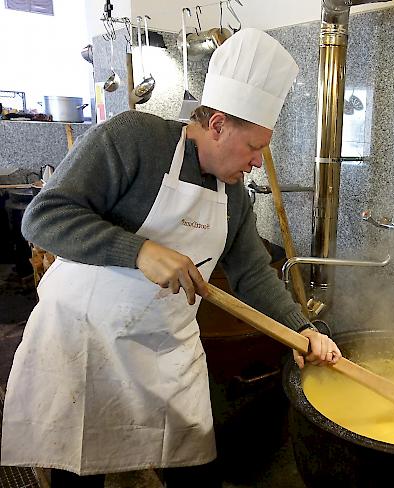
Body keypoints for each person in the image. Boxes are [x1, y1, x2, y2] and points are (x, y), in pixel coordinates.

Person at [1, 28, 341, 487]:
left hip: (164, 347)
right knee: (76, 465)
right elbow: (43, 217)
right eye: (254, 147)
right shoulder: (133, 139)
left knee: (195, 469)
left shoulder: (235, 197)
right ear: (217, 124)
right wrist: (139, 251)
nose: (258, 162)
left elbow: (253, 274)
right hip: (84, 340)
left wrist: (301, 328)